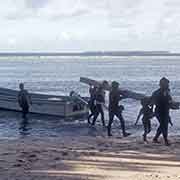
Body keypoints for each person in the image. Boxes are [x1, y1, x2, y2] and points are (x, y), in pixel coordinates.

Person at [151, 77, 173, 146]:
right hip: (160, 111)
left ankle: (155, 138)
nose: (168, 85)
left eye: (168, 84)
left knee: (163, 125)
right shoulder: (157, 92)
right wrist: (151, 111)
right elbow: (153, 102)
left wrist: (171, 105)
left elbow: (169, 100)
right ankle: (165, 140)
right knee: (164, 125)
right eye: (166, 84)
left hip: (165, 110)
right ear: (162, 85)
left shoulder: (167, 91)